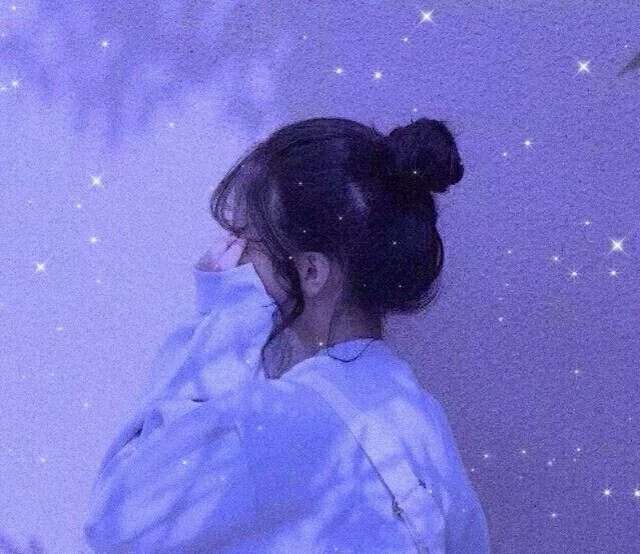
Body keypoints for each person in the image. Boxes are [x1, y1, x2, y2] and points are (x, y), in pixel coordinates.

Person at [83, 116, 491, 553]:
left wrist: (224, 321)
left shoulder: (275, 421)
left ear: (311, 272)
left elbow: (116, 522)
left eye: (245, 241)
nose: (234, 257)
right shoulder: (421, 417)